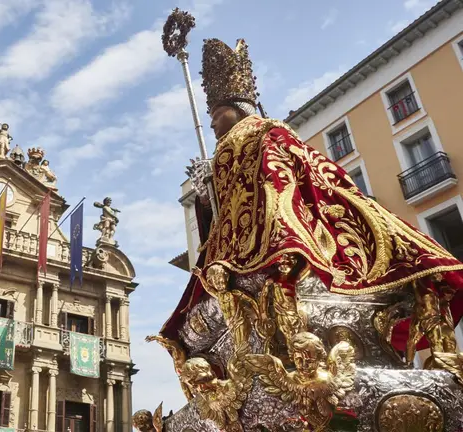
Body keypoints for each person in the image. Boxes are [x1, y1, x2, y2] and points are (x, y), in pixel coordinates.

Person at [161, 38, 463, 363]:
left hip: (279, 240)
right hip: (239, 250)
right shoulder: (233, 146)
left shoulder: (269, 134)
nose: (212, 124)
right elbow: (230, 209)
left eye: (218, 115)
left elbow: (281, 181)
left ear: (238, 111)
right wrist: (208, 193)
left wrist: (226, 173)